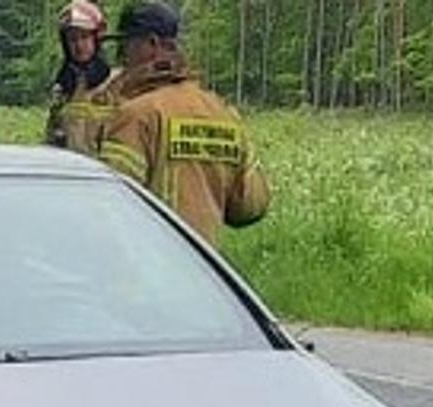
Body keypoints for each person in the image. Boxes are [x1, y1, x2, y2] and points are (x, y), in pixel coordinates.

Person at [96, 1, 269, 245]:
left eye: (126, 46)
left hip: (145, 268)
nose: (123, 58)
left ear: (151, 44)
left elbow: (109, 202)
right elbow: (252, 205)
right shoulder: (224, 113)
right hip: (201, 272)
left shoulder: (136, 116)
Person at [44, 1, 115, 156]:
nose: (79, 45)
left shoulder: (114, 83)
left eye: (84, 37)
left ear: (96, 40)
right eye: (72, 39)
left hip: (104, 174)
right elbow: (52, 138)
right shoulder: (62, 89)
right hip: (73, 174)